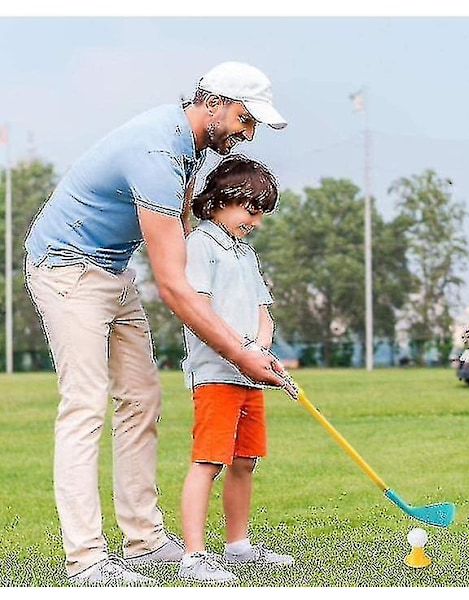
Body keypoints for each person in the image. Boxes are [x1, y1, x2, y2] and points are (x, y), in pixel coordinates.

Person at [23, 61, 292, 586]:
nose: (247, 133)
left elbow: (181, 235)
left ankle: (144, 542)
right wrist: (241, 354)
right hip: (64, 268)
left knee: (142, 399)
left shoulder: (190, 148)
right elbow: (172, 285)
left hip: (111, 269)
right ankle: (86, 559)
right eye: (244, 118)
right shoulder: (157, 152)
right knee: (84, 404)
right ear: (213, 104)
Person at [177, 155, 294, 584]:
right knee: (209, 461)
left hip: (250, 375)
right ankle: (193, 556)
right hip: (215, 375)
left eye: (262, 213)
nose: (256, 221)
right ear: (221, 200)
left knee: (245, 461)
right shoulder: (201, 245)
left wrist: (259, 349)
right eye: (251, 209)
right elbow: (199, 309)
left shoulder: (246, 253)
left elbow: (264, 311)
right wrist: (240, 350)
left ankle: (238, 545)